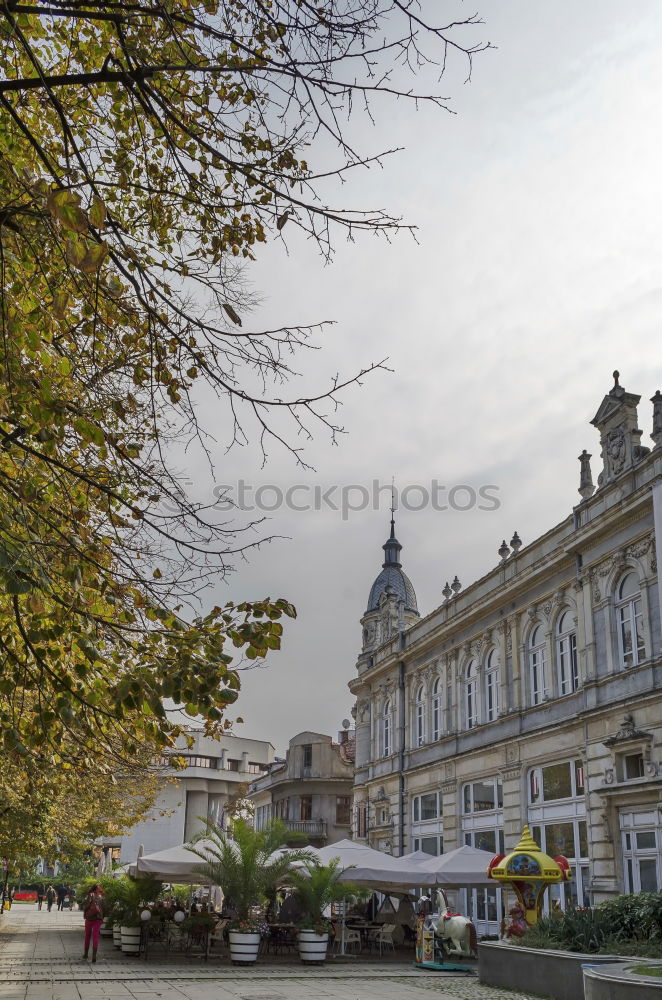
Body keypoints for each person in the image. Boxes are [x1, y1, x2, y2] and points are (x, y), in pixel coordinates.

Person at [82, 884, 104, 962]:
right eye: (99, 887)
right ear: (96, 889)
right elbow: (105, 908)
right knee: (95, 937)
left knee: (87, 936)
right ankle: (94, 956)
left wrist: (85, 912)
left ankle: (86, 954)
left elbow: (86, 906)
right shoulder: (102, 897)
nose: (101, 888)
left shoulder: (90, 895)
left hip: (89, 918)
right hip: (98, 919)